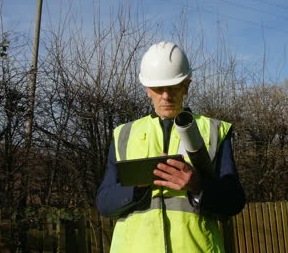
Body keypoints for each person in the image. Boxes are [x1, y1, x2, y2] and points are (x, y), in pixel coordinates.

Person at [96, 41, 246, 253]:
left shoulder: (214, 130)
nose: (166, 96)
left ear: (186, 85)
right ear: (147, 89)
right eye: (158, 89)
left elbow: (234, 201)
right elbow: (104, 203)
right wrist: (137, 188)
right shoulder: (124, 135)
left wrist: (198, 186)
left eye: (173, 87)